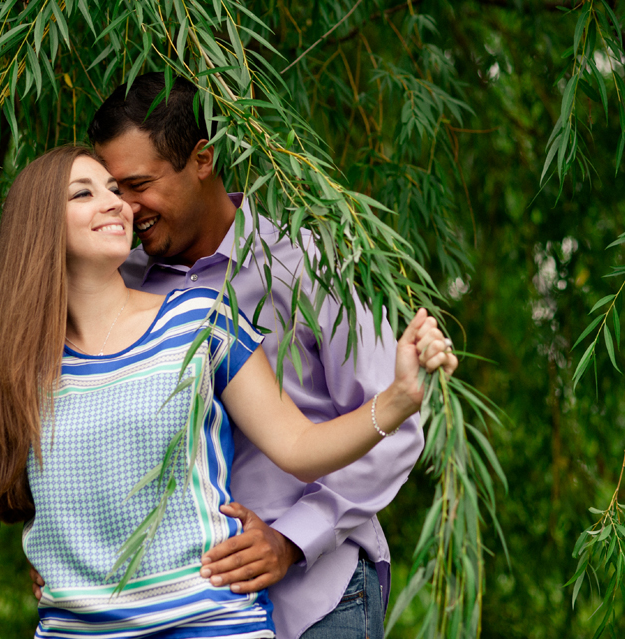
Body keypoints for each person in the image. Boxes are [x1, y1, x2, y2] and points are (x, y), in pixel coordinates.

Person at [0, 146, 457, 639]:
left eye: (115, 189)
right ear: (39, 228)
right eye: (84, 193)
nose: (116, 204)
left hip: (213, 627)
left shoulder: (200, 319)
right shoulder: (11, 367)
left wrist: (399, 399)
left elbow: (298, 445)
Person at [49, 72, 431, 639]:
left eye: (136, 185)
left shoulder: (310, 262)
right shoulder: (116, 285)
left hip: (317, 598)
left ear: (201, 159)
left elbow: (396, 426)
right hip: (185, 611)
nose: (122, 208)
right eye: (108, 190)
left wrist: (291, 539)